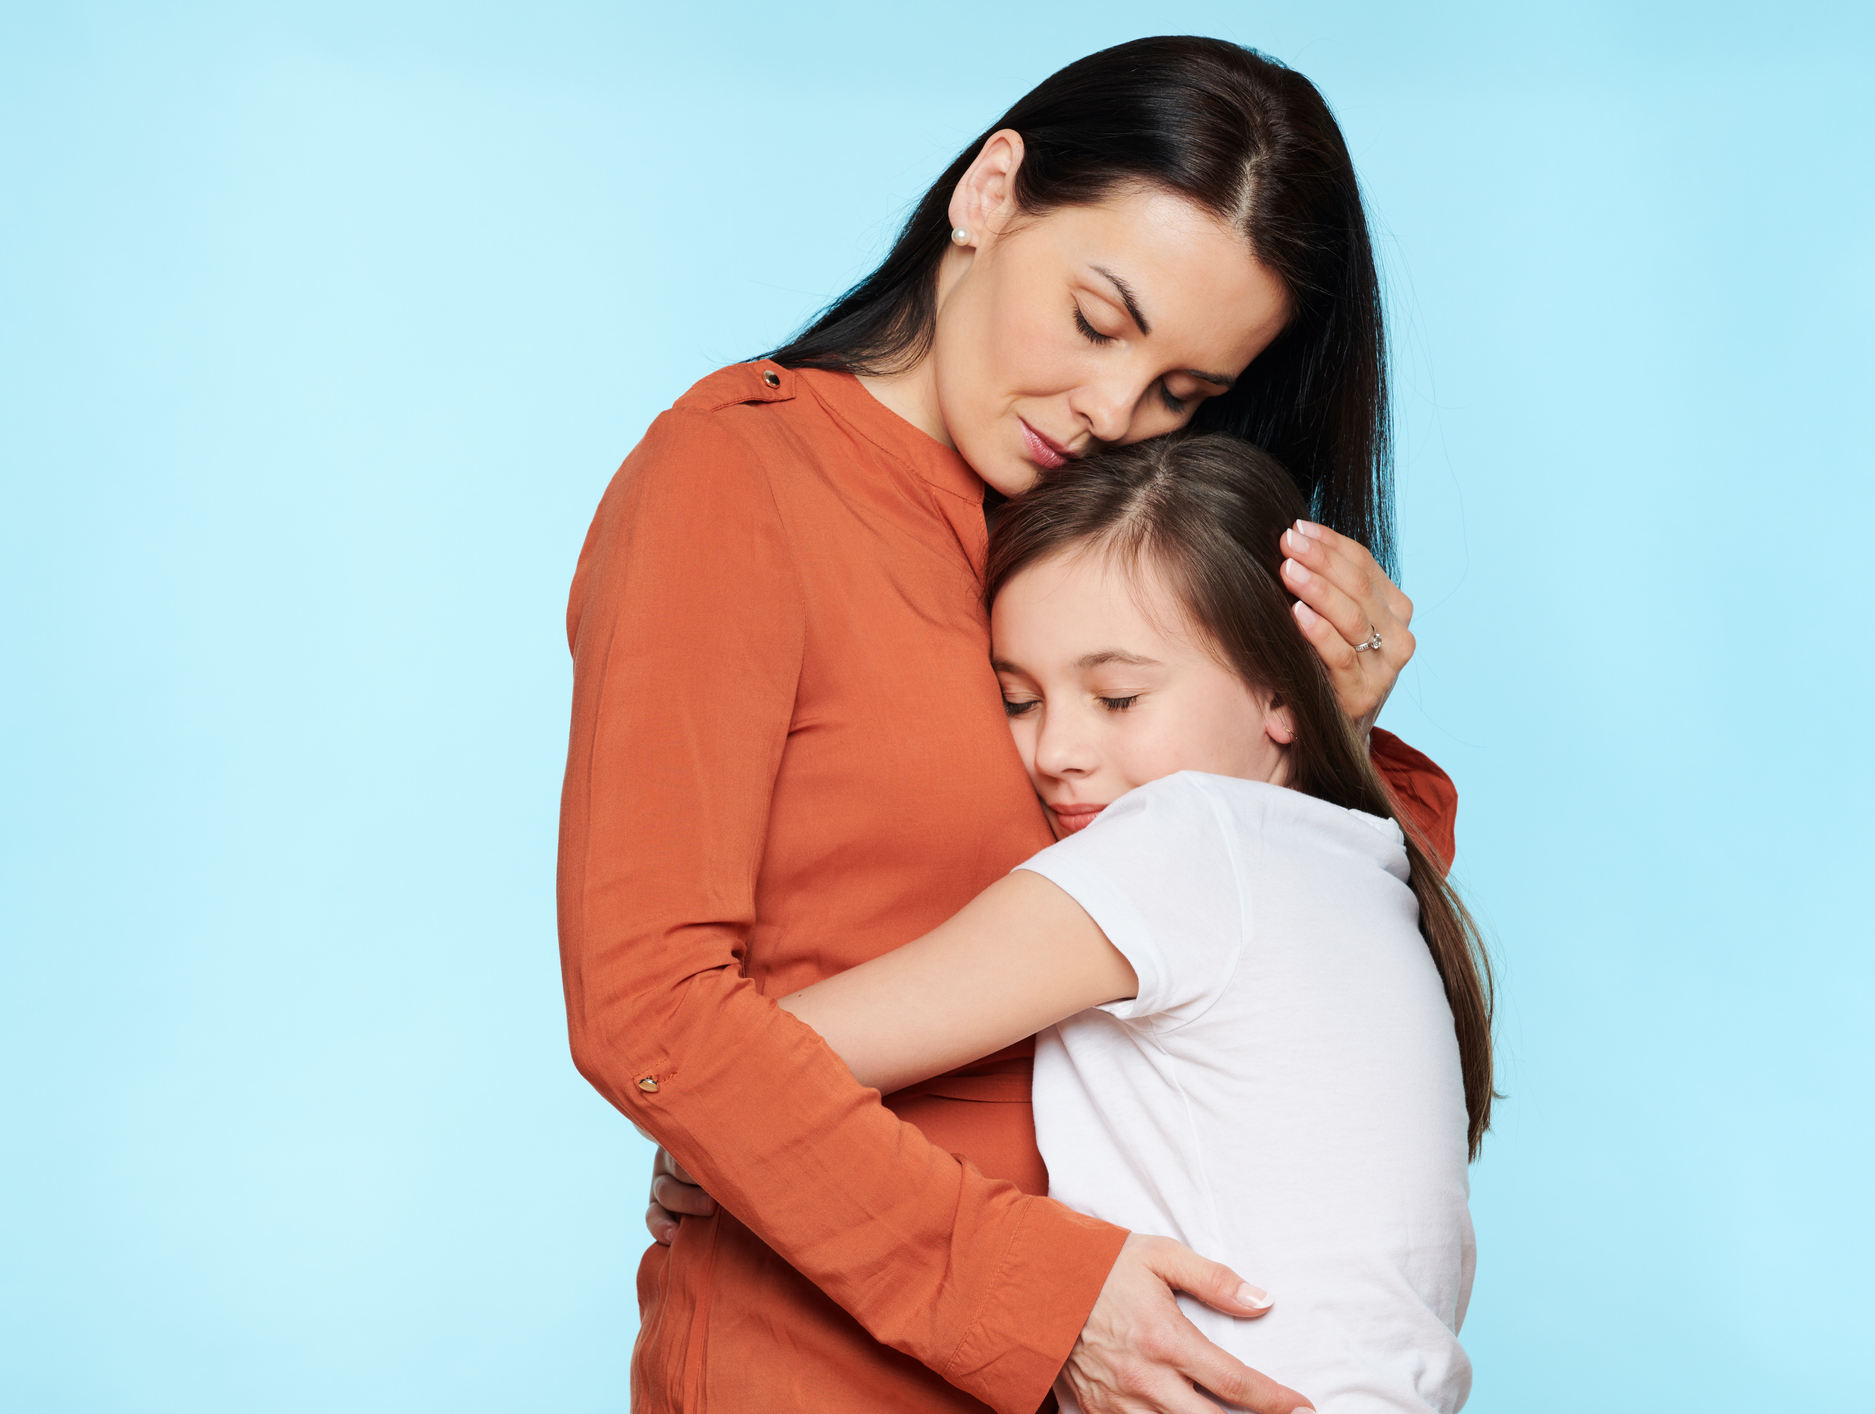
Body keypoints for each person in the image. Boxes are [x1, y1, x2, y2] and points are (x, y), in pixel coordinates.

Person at [560, 35, 1458, 1414]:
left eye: (1183, 394)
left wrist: (1329, 738)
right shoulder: (737, 480)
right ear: (989, 192)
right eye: (1101, 320)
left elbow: (1295, 1011)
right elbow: (650, 1007)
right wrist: (1035, 1294)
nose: (1113, 411)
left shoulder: (1097, 542)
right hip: (819, 1361)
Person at [775, 434, 1494, 1414]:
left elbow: (766, 1062)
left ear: (1280, 691)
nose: (1059, 749)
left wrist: (700, 1151)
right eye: (1018, 699)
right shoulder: (1366, 870)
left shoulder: (1186, 841)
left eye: (1118, 697)